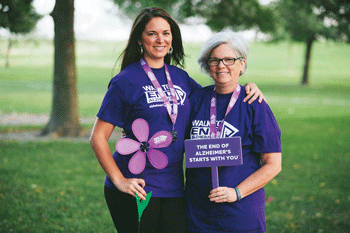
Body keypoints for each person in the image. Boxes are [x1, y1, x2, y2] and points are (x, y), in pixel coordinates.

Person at [90, 7, 264, 233]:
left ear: (172, 38)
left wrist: (246, 85)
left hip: (174, 189)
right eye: (152, 33)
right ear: (140, 40)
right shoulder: (125, 81)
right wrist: (119, 180)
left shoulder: (180, 77)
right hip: (138, 188)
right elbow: (97, 138)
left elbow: (214, 98)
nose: (160, 39)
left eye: (166, 33)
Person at [185, 30, 282, 233]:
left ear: (242, 63)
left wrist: (237, 192)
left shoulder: (254, 103)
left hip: (240, 215)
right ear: (207, 64)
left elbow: (273, 164)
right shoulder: (196, 100)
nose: (221, 66)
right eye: (215, 60)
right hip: (198, 214)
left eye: (229, 59)